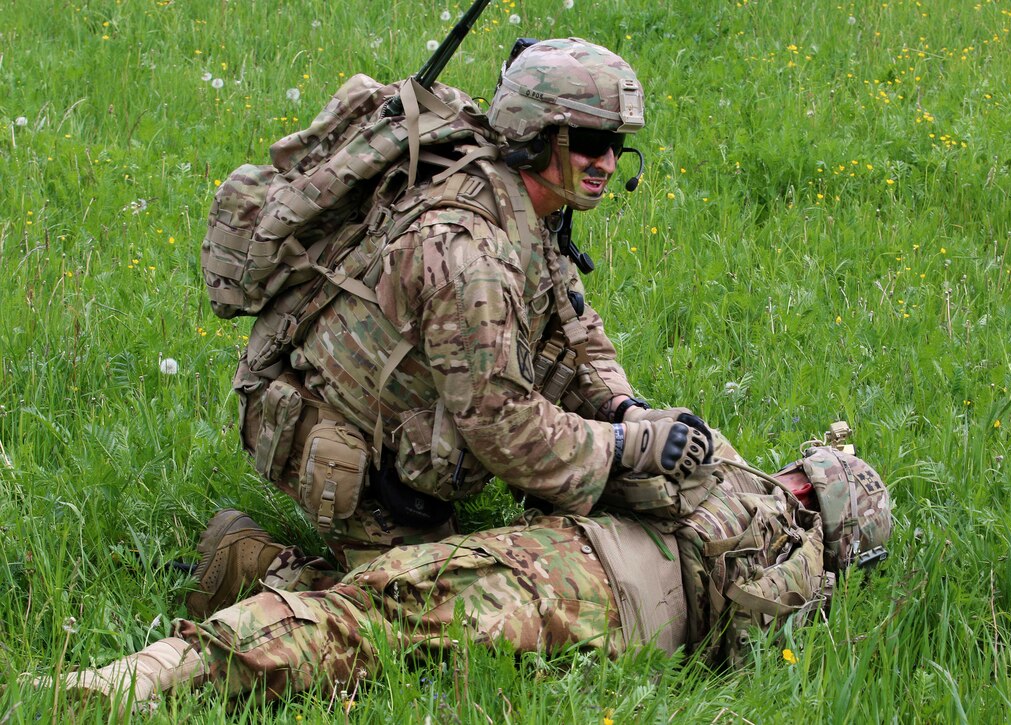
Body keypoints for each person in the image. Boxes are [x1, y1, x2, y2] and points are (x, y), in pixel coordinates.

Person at [190, 38, 716, 617]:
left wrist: (621, 407)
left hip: (396, 431)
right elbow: (503, 427)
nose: (609, 163)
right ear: (537, 136)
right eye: (591, 143)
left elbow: (569, 327)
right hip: (337, 445)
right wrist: (622, 447)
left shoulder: (523, 203)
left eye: (616, 144)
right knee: (431, 614)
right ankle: (245, 561)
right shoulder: (470, 253)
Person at [47, 438, 893, 713]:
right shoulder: (742, 490)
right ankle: (136, 680)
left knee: (395, 632)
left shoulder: (765, 514)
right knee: (374, 627)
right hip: (559, 579)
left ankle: (252, 563)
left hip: (585, 619)